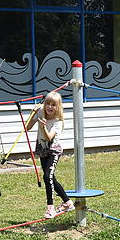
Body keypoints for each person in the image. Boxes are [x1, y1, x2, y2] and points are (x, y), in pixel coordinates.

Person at [26, 91, 74, 219]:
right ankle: (68, 202)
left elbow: (48, 137)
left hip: (53, 151)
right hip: (43, 150)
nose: (50, 107)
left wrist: (43, 127)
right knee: (51, 178)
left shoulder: (58, 122)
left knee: (47, 177)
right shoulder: (41, 112)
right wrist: (33, 114)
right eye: (48, 103)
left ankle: (50, 208)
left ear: (58, 107)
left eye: (53, 105)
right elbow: (27, 127)